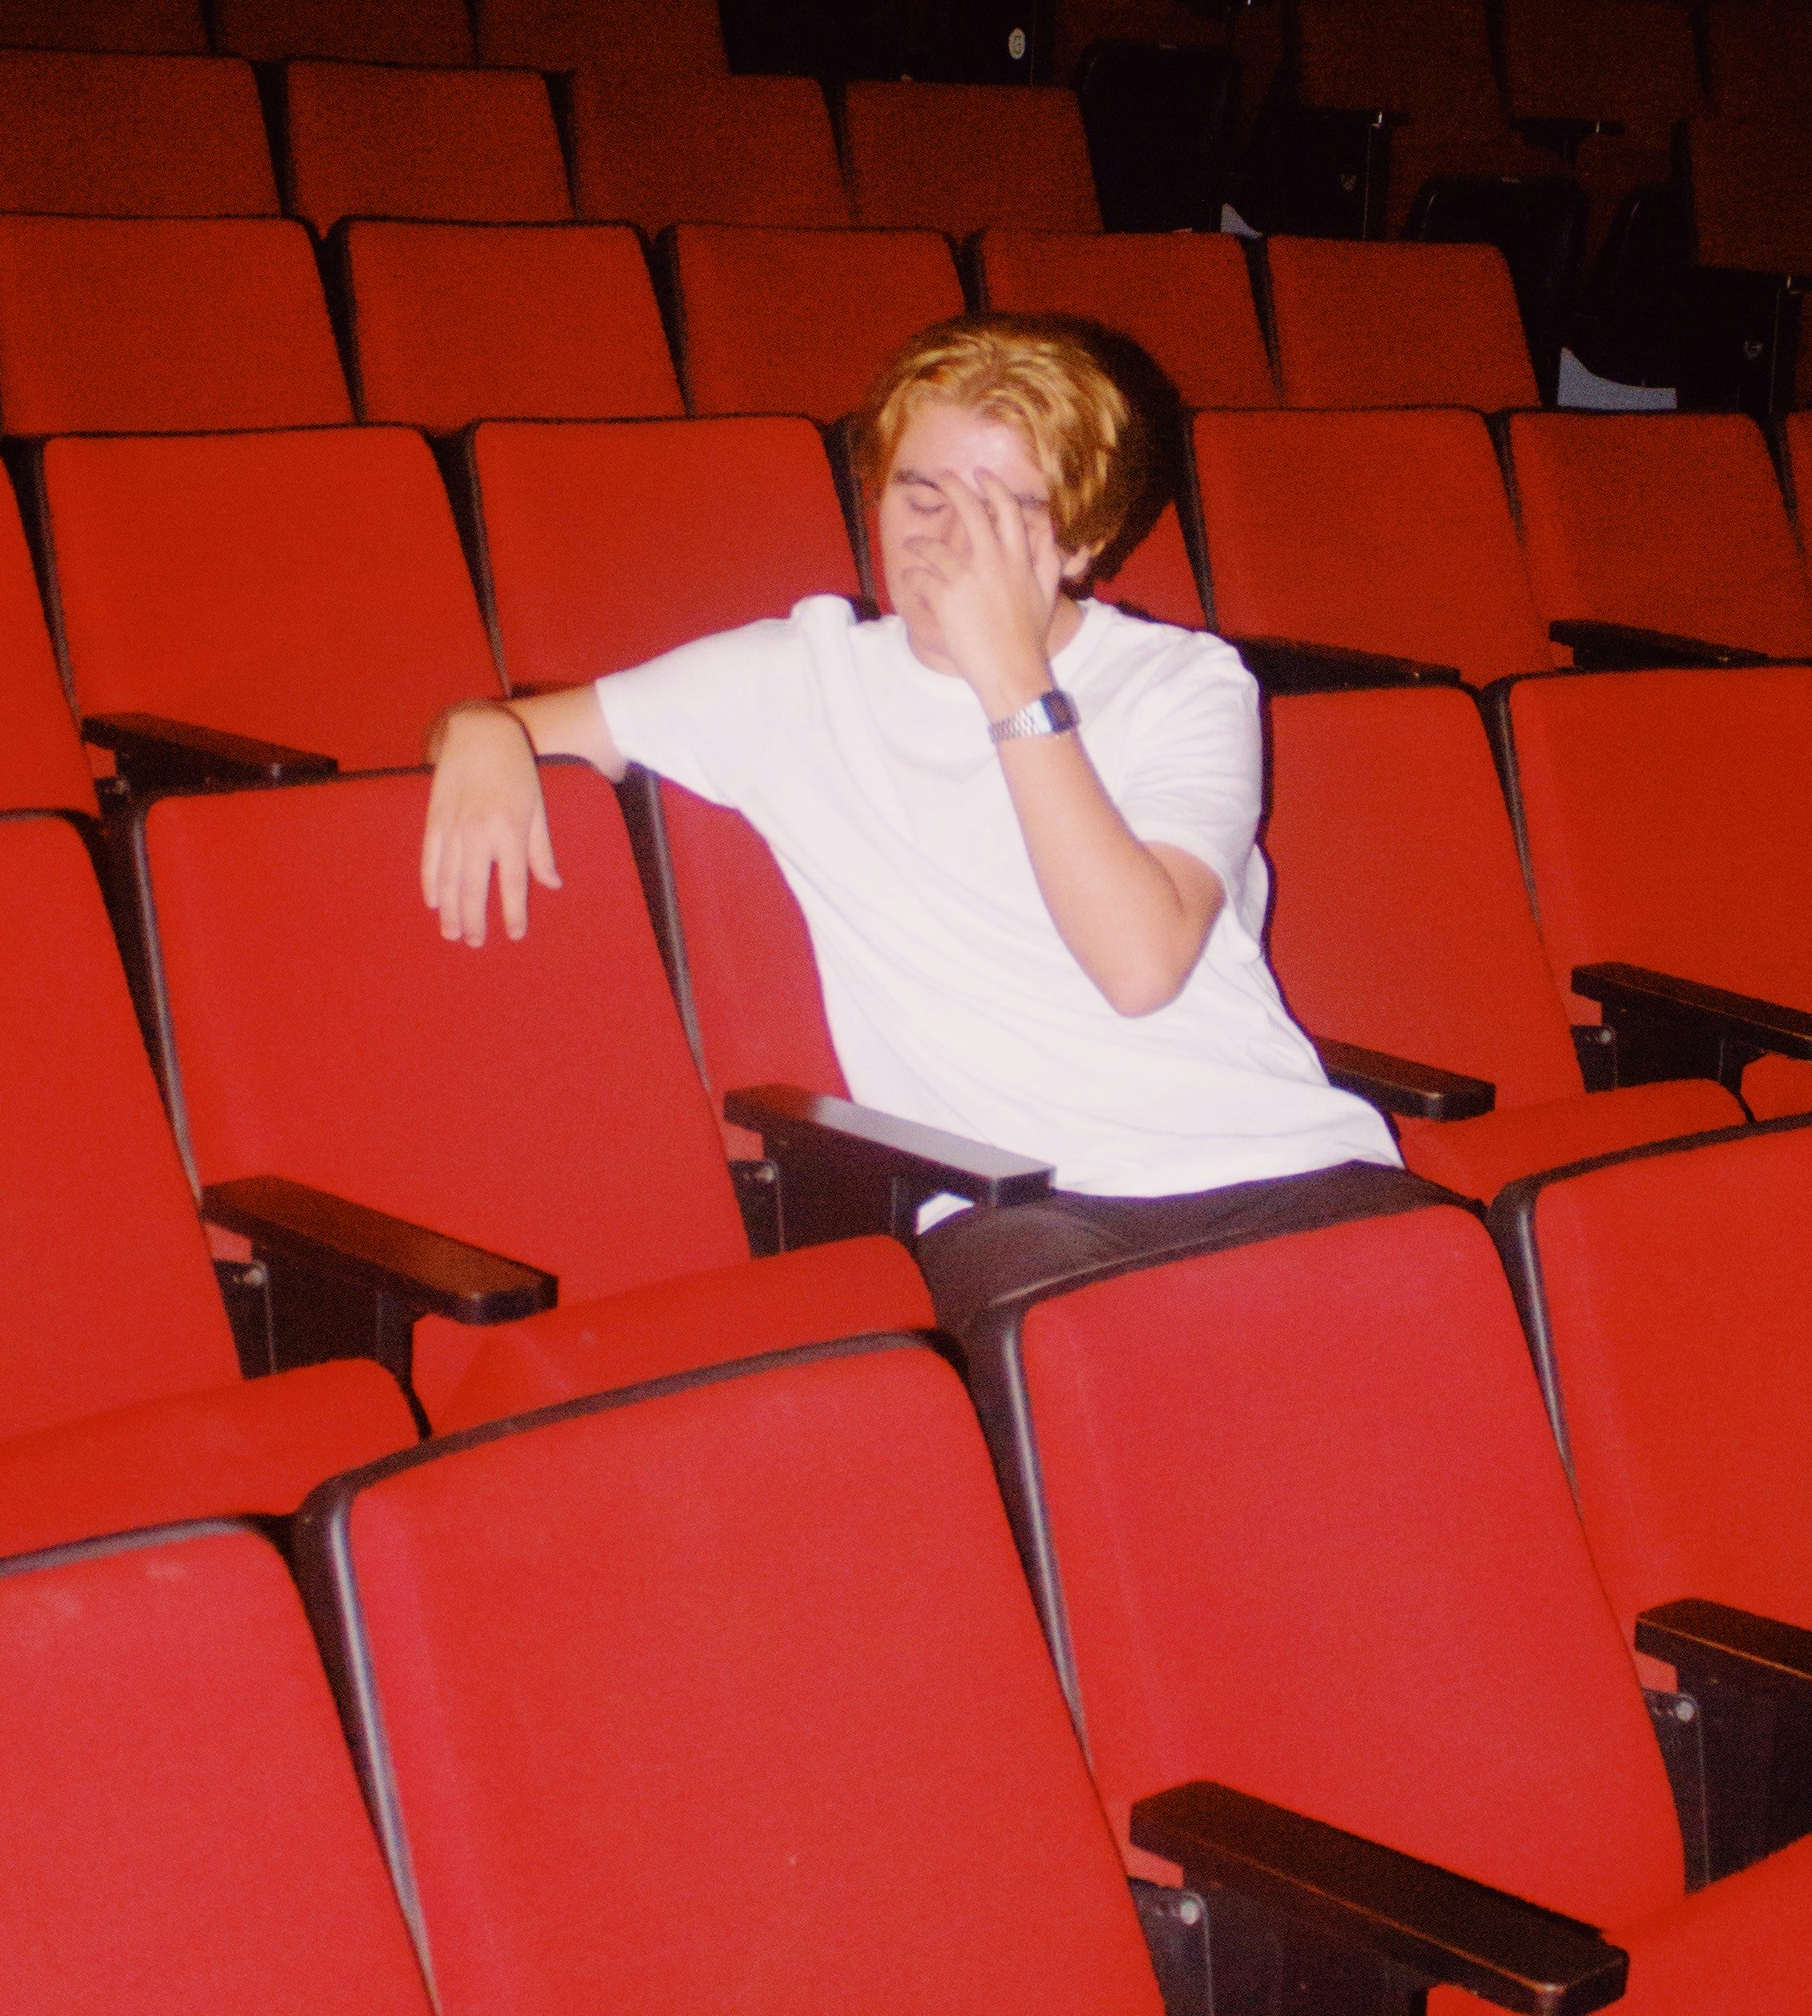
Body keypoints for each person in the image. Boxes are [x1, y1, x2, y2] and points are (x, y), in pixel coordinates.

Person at [418, 313, 1408, 1305]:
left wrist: (1008, 679)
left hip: (1278, 1162)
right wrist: (477, 728)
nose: (947, 543)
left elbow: (1138, 962)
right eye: (919, 495)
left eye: (1002, 509)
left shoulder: (1183, 683)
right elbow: (506, 727)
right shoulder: (798, 681)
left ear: (1086, 540)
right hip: (1030, 1212)